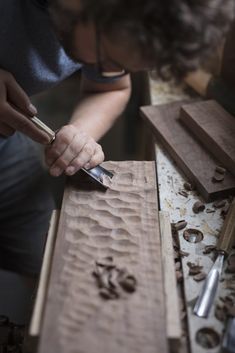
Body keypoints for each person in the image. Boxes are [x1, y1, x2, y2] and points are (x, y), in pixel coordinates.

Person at [0, 0, 233, 277]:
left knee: (47, 266)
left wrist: (81, 132)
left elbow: (109, 90)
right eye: (109, 58)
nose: (107, 69)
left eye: (120, 65)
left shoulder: (103, 23)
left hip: (6, 151)